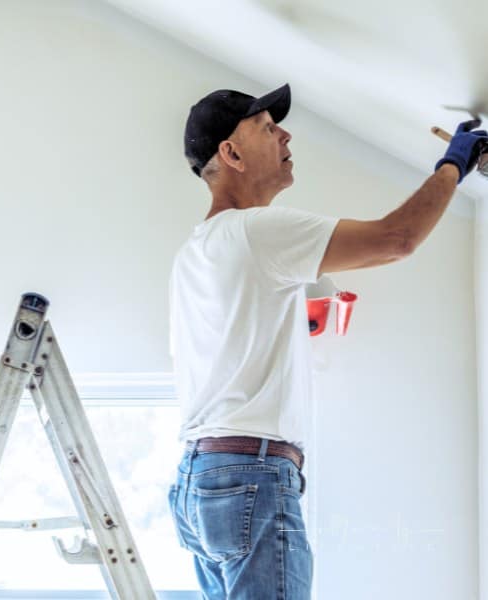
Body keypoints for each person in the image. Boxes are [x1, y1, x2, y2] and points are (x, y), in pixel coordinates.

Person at [166, 83, 487, 599]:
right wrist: (453, 165)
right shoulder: (254, 230)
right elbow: (395, 240)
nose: (285, 134)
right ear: (231, 153)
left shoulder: (199, 249)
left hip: (201, 480)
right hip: (250, 474)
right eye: (268, 129)